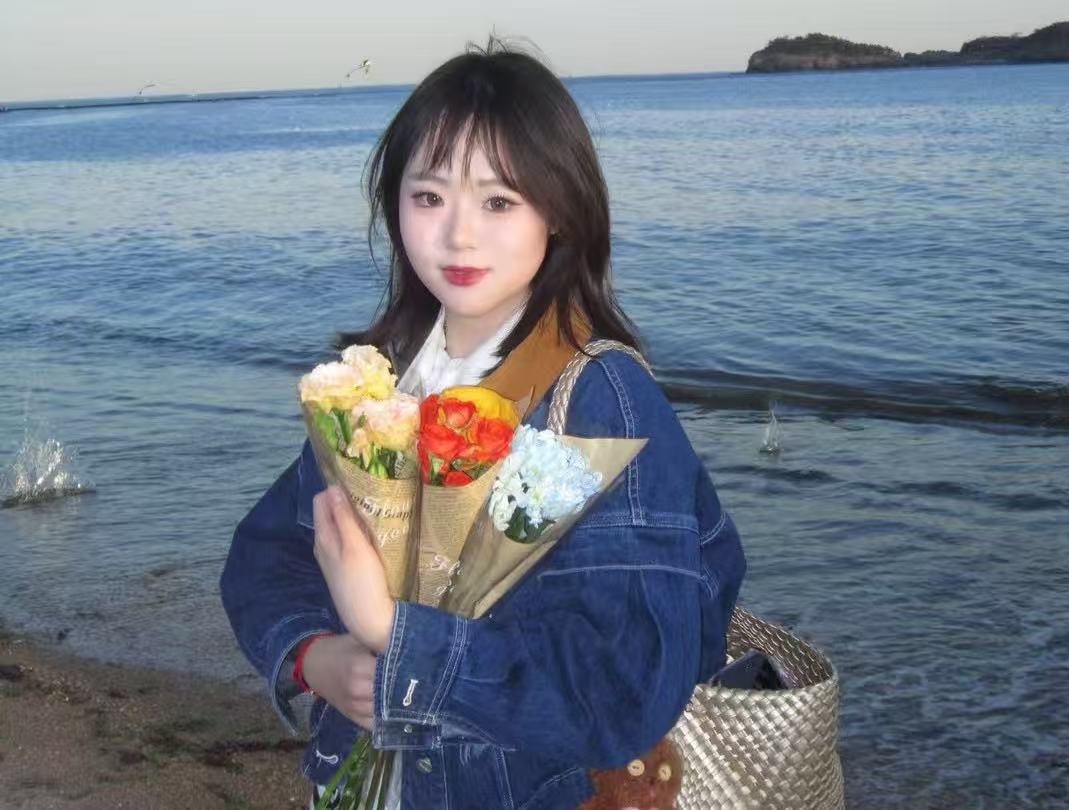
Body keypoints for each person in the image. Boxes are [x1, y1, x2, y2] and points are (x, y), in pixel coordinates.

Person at [220, 37, 745, 810]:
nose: (459, 235)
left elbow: (624, 689)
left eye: (499, 201)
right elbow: (265, 554)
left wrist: (392, 632)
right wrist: (316, 657)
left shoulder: (600, 401)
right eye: (429, 197)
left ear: (558, 211)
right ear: (393, 203)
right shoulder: (385, 390)